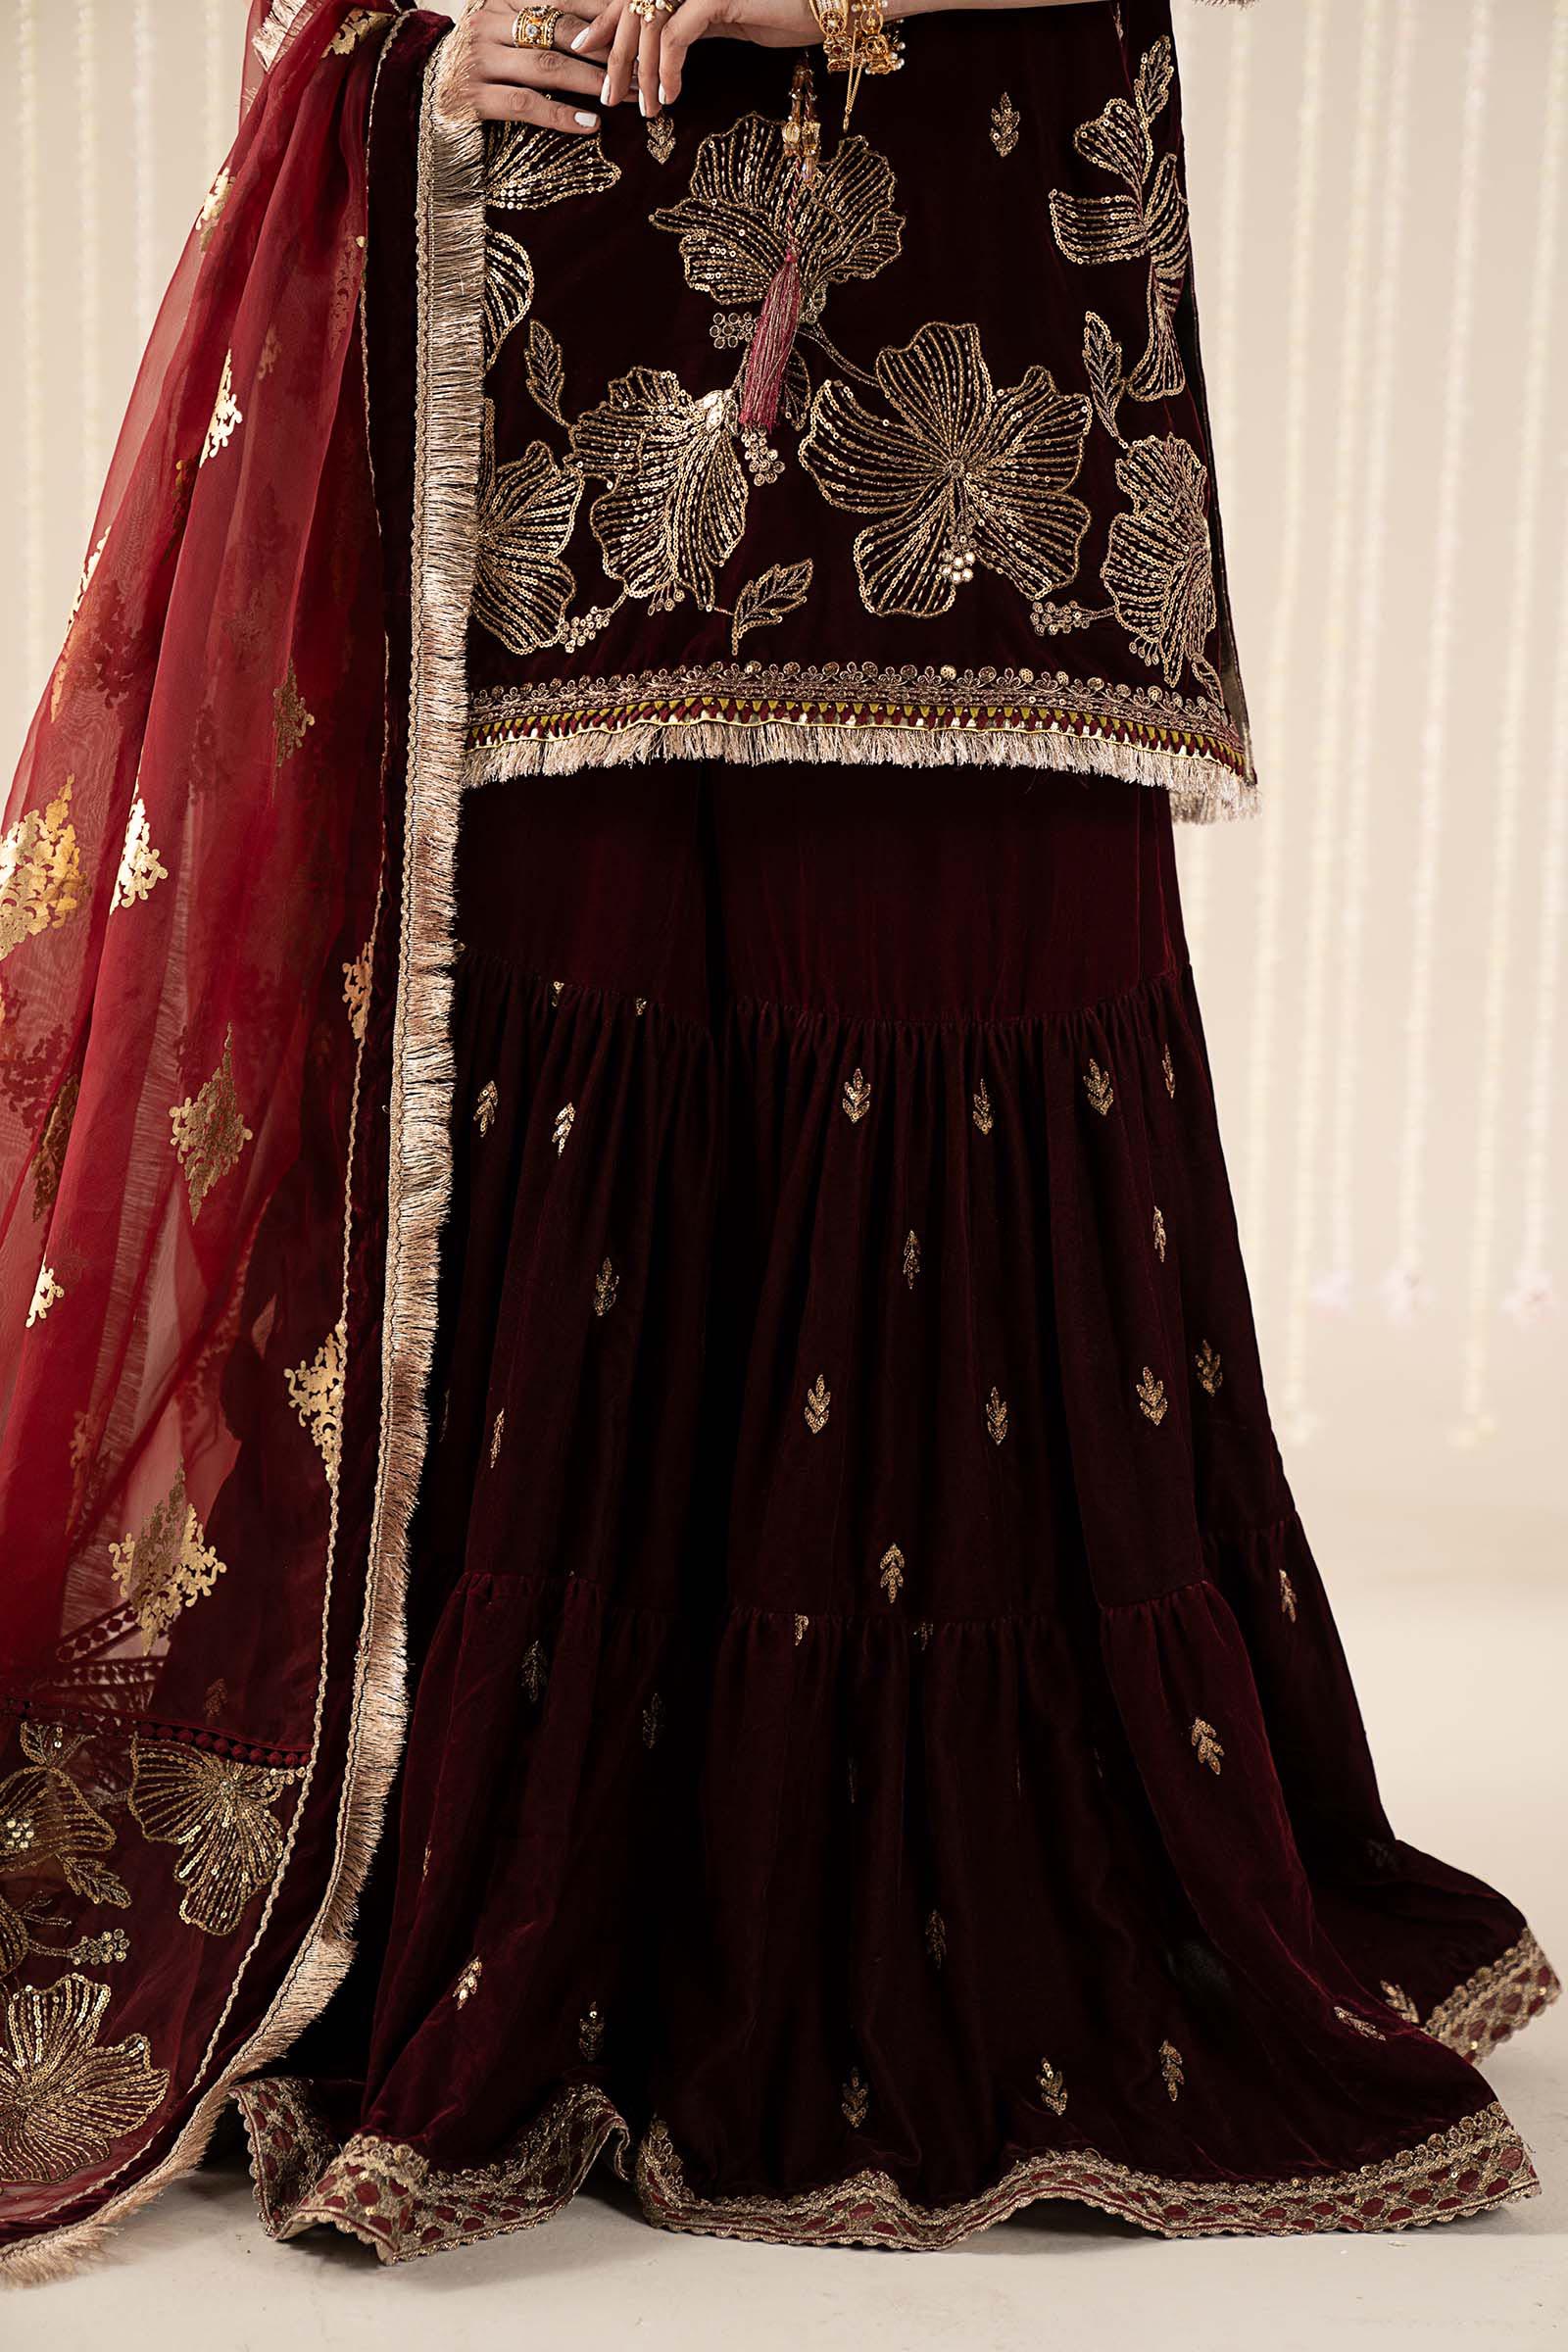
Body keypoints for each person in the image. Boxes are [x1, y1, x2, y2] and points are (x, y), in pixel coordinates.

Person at [0, 0, 1554, 2277]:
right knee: (565, 1052)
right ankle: (505, 1887)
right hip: (573, 294)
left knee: (934, 1002)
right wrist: (411, 53)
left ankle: (955, 1908)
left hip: (957, 256)